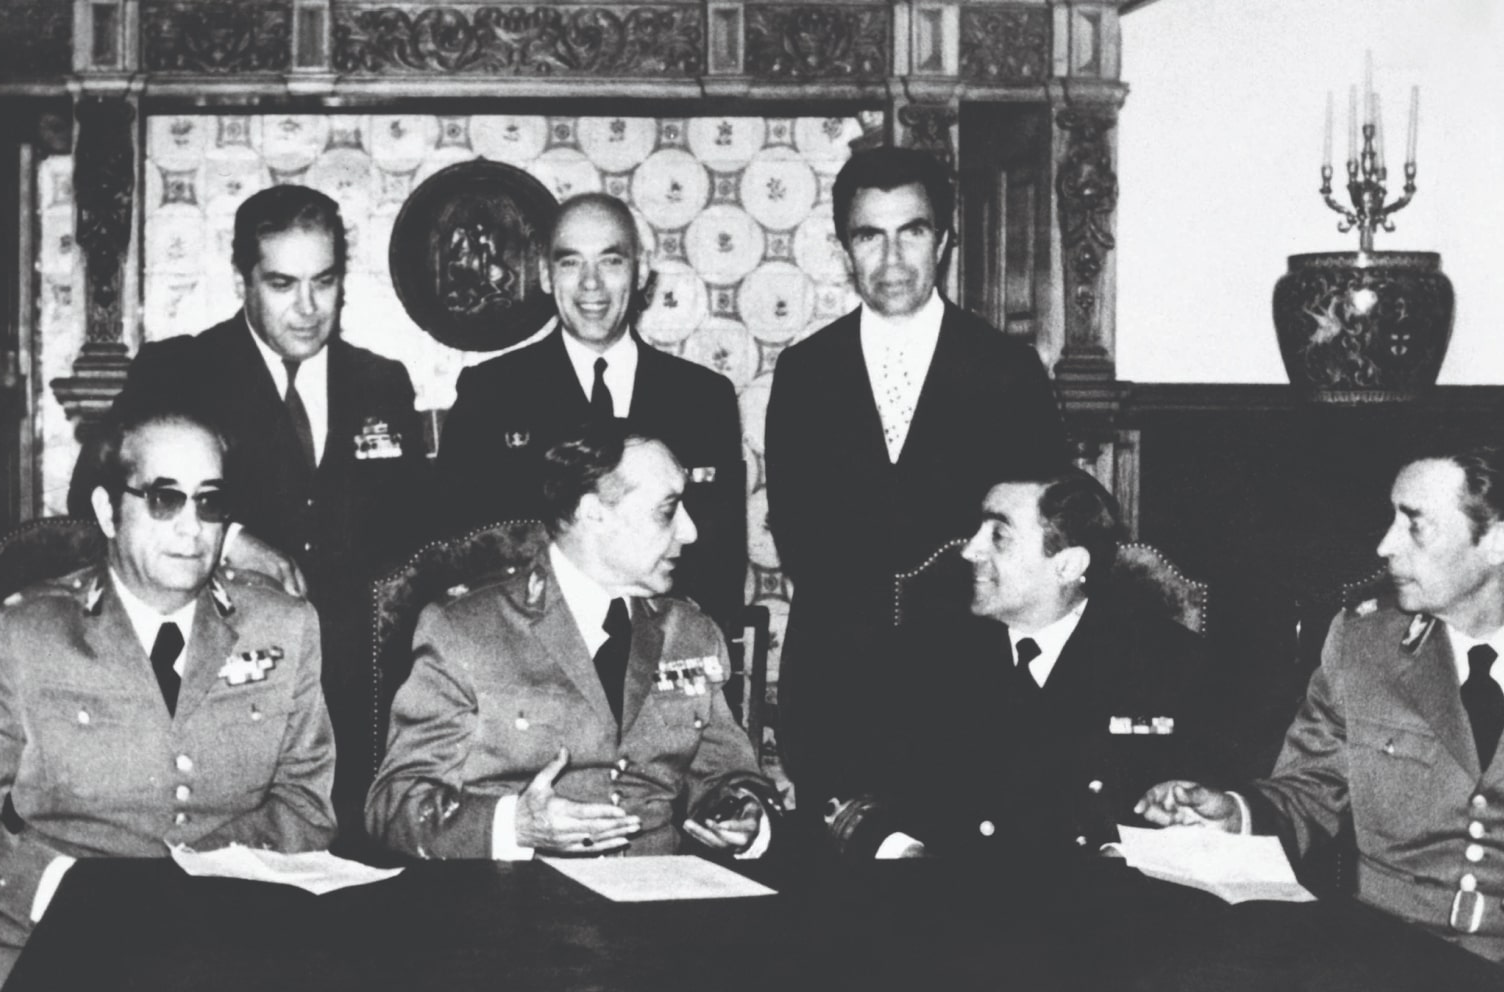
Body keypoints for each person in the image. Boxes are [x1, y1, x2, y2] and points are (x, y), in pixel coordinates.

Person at [1136, 445, 1504, 992]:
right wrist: (1234, 813)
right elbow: (1309, 790)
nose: (1385, 545)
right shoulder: (1362, 646)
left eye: (1414, 526)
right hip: (1375, 974)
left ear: (1495, 544)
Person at [0, 407, 336, 992]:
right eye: (165, 499)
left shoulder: (283, 625)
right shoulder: (28, 634)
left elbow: (306, 803)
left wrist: (201, 885)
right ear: (110, 511)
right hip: (60, 957)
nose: (192, 527)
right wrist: (56, 887)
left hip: (236, 948)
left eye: (209, 502)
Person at [70, 184, 434, 836]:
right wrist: (229, 538)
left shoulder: (382, 382)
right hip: (229, 688)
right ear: (244, 280)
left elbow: (414, 531)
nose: (308, 308)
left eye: (324, 282)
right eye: (282, 284)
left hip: (363, 692)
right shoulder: (179, 370)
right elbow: (89, 497)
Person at [765, 146, 1067, 813]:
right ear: (845, 249)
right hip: (836, 698)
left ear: (946, 241)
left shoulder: (1006, 371)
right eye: (870, 235)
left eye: (913, 231)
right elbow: (802, 542)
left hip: (975, 701)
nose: (892, 259)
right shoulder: (805, 374)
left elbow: (1039, 542)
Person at [369, 428, 773, 859]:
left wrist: (745, 817)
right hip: (519, 907)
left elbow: (727, 776)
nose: (690, 531)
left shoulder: (690, 633)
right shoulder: (467, 631)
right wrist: (516, 826)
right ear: (593, 513)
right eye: (667, 511)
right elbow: (394, 807)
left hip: (661, 905)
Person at [826, 468, 1213, 860]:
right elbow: (846, 780)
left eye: (998, 536)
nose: (969, 550)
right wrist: (901, 852)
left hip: (1099, 906)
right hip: (942, 899)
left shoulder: (1163, 660)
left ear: (1067, 565)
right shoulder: (920, 652)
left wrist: (1125, 856)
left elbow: (1191, 805)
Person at [438, 192, 745, 623]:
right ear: (545, 274)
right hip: (531, 652)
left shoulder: (702, 397)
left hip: (663, 649)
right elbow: (461, 553)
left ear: (640, 271)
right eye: (570, 262)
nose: (590, 283)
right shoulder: (490, 393)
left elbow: (718, 559)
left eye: (611, 260)